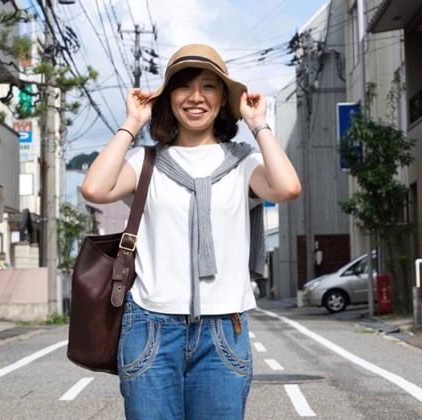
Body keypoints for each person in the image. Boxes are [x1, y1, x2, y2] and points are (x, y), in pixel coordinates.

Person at [81, 44, 301, 420]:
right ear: (169, 98)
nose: (196, 97)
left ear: (223, 100)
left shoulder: (242, 163)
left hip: (222, 328)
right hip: (149, 324)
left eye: (209, 87)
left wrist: (258, 123)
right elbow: (95, 189)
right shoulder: (145, 161)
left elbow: (286, 188)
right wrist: (132, 124)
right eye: (183, 87)